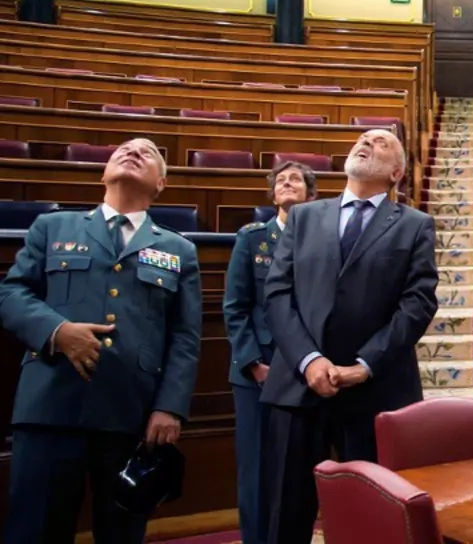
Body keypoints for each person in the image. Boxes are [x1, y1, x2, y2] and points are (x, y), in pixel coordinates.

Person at [0, 138, 201, 544]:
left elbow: (184, 336)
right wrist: (57, 332)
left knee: (122, 532)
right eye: (123, 150)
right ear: (102, 173)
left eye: (148, 154)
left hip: (132, 414)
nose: (133, 152)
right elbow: (12, 294)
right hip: (52, 405)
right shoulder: (53, 227)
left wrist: (170, 407)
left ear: (160, 183)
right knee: (34, 529)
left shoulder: (178, 250)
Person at [260, 129, 438, 544]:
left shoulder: (415, 225)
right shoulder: (305, 216)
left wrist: (363, 365)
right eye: (363, 138)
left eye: (380, 143)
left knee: (373, 520)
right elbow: (277, 291)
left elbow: (417, 304)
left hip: (373, 392)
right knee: (285, 513)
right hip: (297, 389)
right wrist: (309, 359)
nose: (366, 142)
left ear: (396, 172)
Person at [222, 160, 316, 544]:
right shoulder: (252, 238)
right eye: (281, 180)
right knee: (258, 470)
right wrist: (252, 364)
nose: (287, 183)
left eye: (296, 179)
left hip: (305, 372)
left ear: (312, 194)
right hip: (257, 372)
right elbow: (235, 306)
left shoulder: (322, 238)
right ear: (273, 195)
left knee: (299, 470)